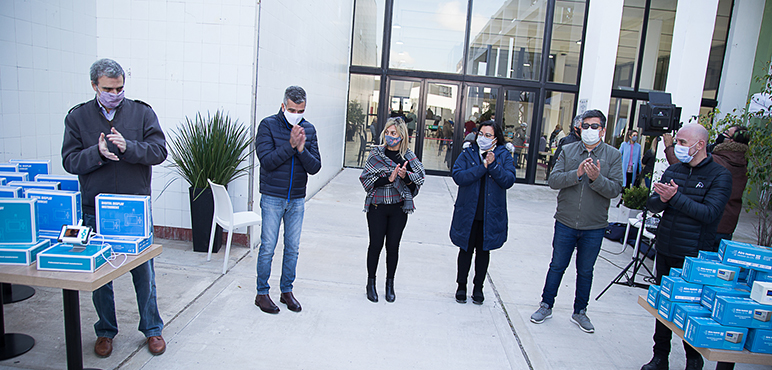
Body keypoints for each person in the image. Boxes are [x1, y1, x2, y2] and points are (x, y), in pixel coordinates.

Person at [62, 58, 167, 357]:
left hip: (134, 209)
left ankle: (152, 329)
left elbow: (159, 150)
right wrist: (97, 153)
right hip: (95, 209)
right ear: (94, 85)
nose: (115, 93)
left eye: (120, 87)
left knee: (144, 273)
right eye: (108, 88)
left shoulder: (141, 112)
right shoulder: (78, 118)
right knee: (100, 275)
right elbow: (69, 161)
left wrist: (128, 147)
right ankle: (106, 330)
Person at [640, 123, 732, 370]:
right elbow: (654, 204)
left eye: (681, 142)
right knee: (663, 307)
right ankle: (660, 357)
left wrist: (675, 198)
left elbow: (710, 213)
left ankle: (693, 359)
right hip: (666, 248)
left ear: (700, 145)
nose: (676, 146)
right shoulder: (674, 170)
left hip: (693, 255)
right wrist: (659, 198)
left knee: (690, 310)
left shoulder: (719, 175)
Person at [530, 109, 623, 333]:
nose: (589, 130)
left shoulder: (613, 155)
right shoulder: (568, 150)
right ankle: (546, 304)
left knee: (585, 270)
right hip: (566, 221)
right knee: (557, 265)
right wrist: (577, 174)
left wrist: (596, 179)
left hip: (594, 226)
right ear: (579, 127)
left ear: (602, 130)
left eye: (594, 126)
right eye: (585, 125)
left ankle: (580, 311)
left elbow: (615, 189)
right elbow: (553, 180)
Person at [254, 86, 322, 314]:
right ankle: (262, 293)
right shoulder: (268, 126)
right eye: (291, 109)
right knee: (268, 248)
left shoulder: (309, 130)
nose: (296, 113)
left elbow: (315, 167)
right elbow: (267, 161)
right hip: (273, 197)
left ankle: (286, 291)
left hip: (296, 200)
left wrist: (302, 150)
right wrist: (291, 145)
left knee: (292, 248)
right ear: (283, 106)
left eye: (300, 110)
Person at [359, 117, 426, 303]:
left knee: (393, 247)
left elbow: (419, 179)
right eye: (387, 133)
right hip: (377, 207)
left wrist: (405, 176)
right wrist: (388, 179)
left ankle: (390, 285)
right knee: (375, 245)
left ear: (402, 135)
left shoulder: (408, 157)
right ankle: (370, 284)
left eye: (393, 133)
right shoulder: (376, 154)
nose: (389, 137)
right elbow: (366, 180)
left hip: (398, 208)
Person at [450, 120, 516, 304]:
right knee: (465, 251)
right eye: (481, 134)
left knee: (483, 252)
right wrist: (483, 167)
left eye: (488, 135)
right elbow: (458, 176)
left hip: (490, 215)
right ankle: (461, 285)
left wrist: (493, 165)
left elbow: (508, 180)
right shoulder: (468, 152)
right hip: (468, 213)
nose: (483, 138)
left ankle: (478, 288)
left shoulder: (503, 155)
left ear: (496, 139)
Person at [710, 126, 750, 249]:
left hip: (711, 222)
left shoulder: (717, 160)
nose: (722, 135)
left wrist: (669, 148)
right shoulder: (743, 162)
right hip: (728, 224)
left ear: (731, 140)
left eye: (726, 133)